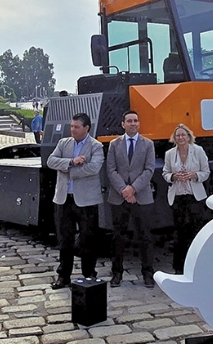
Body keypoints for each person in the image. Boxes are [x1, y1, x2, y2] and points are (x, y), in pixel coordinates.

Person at [46, 113, 105, 289]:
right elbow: (51, 161)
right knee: (65, 239)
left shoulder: (96, 146)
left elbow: (94, 168)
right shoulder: (64, 143)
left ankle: (89, 274)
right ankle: (63, 276)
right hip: (64, 199)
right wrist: (72, 162)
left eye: (76, 127)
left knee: (88, 239)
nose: (72, 130)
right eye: (71, 126)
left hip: (86, 201)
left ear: (86, 128)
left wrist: (68, 170)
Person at [106, 111, 156, 288]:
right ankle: (117, 273)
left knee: (145, 237)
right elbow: (111, 170)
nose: (133, 123)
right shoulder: (114, 144)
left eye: (135, 120)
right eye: (129, 121)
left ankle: (148, 274)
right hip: (118, 198)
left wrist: (133, 188)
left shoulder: (148, 144)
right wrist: (124, 190)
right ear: (123, 124)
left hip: (141, 197)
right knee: (118, 237)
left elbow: (149, 170)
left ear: (139, 123)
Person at [162, 124, 210, 274]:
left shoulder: (198, 151)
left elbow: (206, 172)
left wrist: (194, 175)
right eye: (178, 135)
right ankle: (179, 267)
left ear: (189, 137)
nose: (180, 138)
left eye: (183, 135)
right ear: (174, 138)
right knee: (179, 233)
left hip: (194, 197)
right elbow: (165, 173)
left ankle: (197, 265)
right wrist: (174, 176)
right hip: (178, 197)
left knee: (195, 231)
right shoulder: (170, 153)